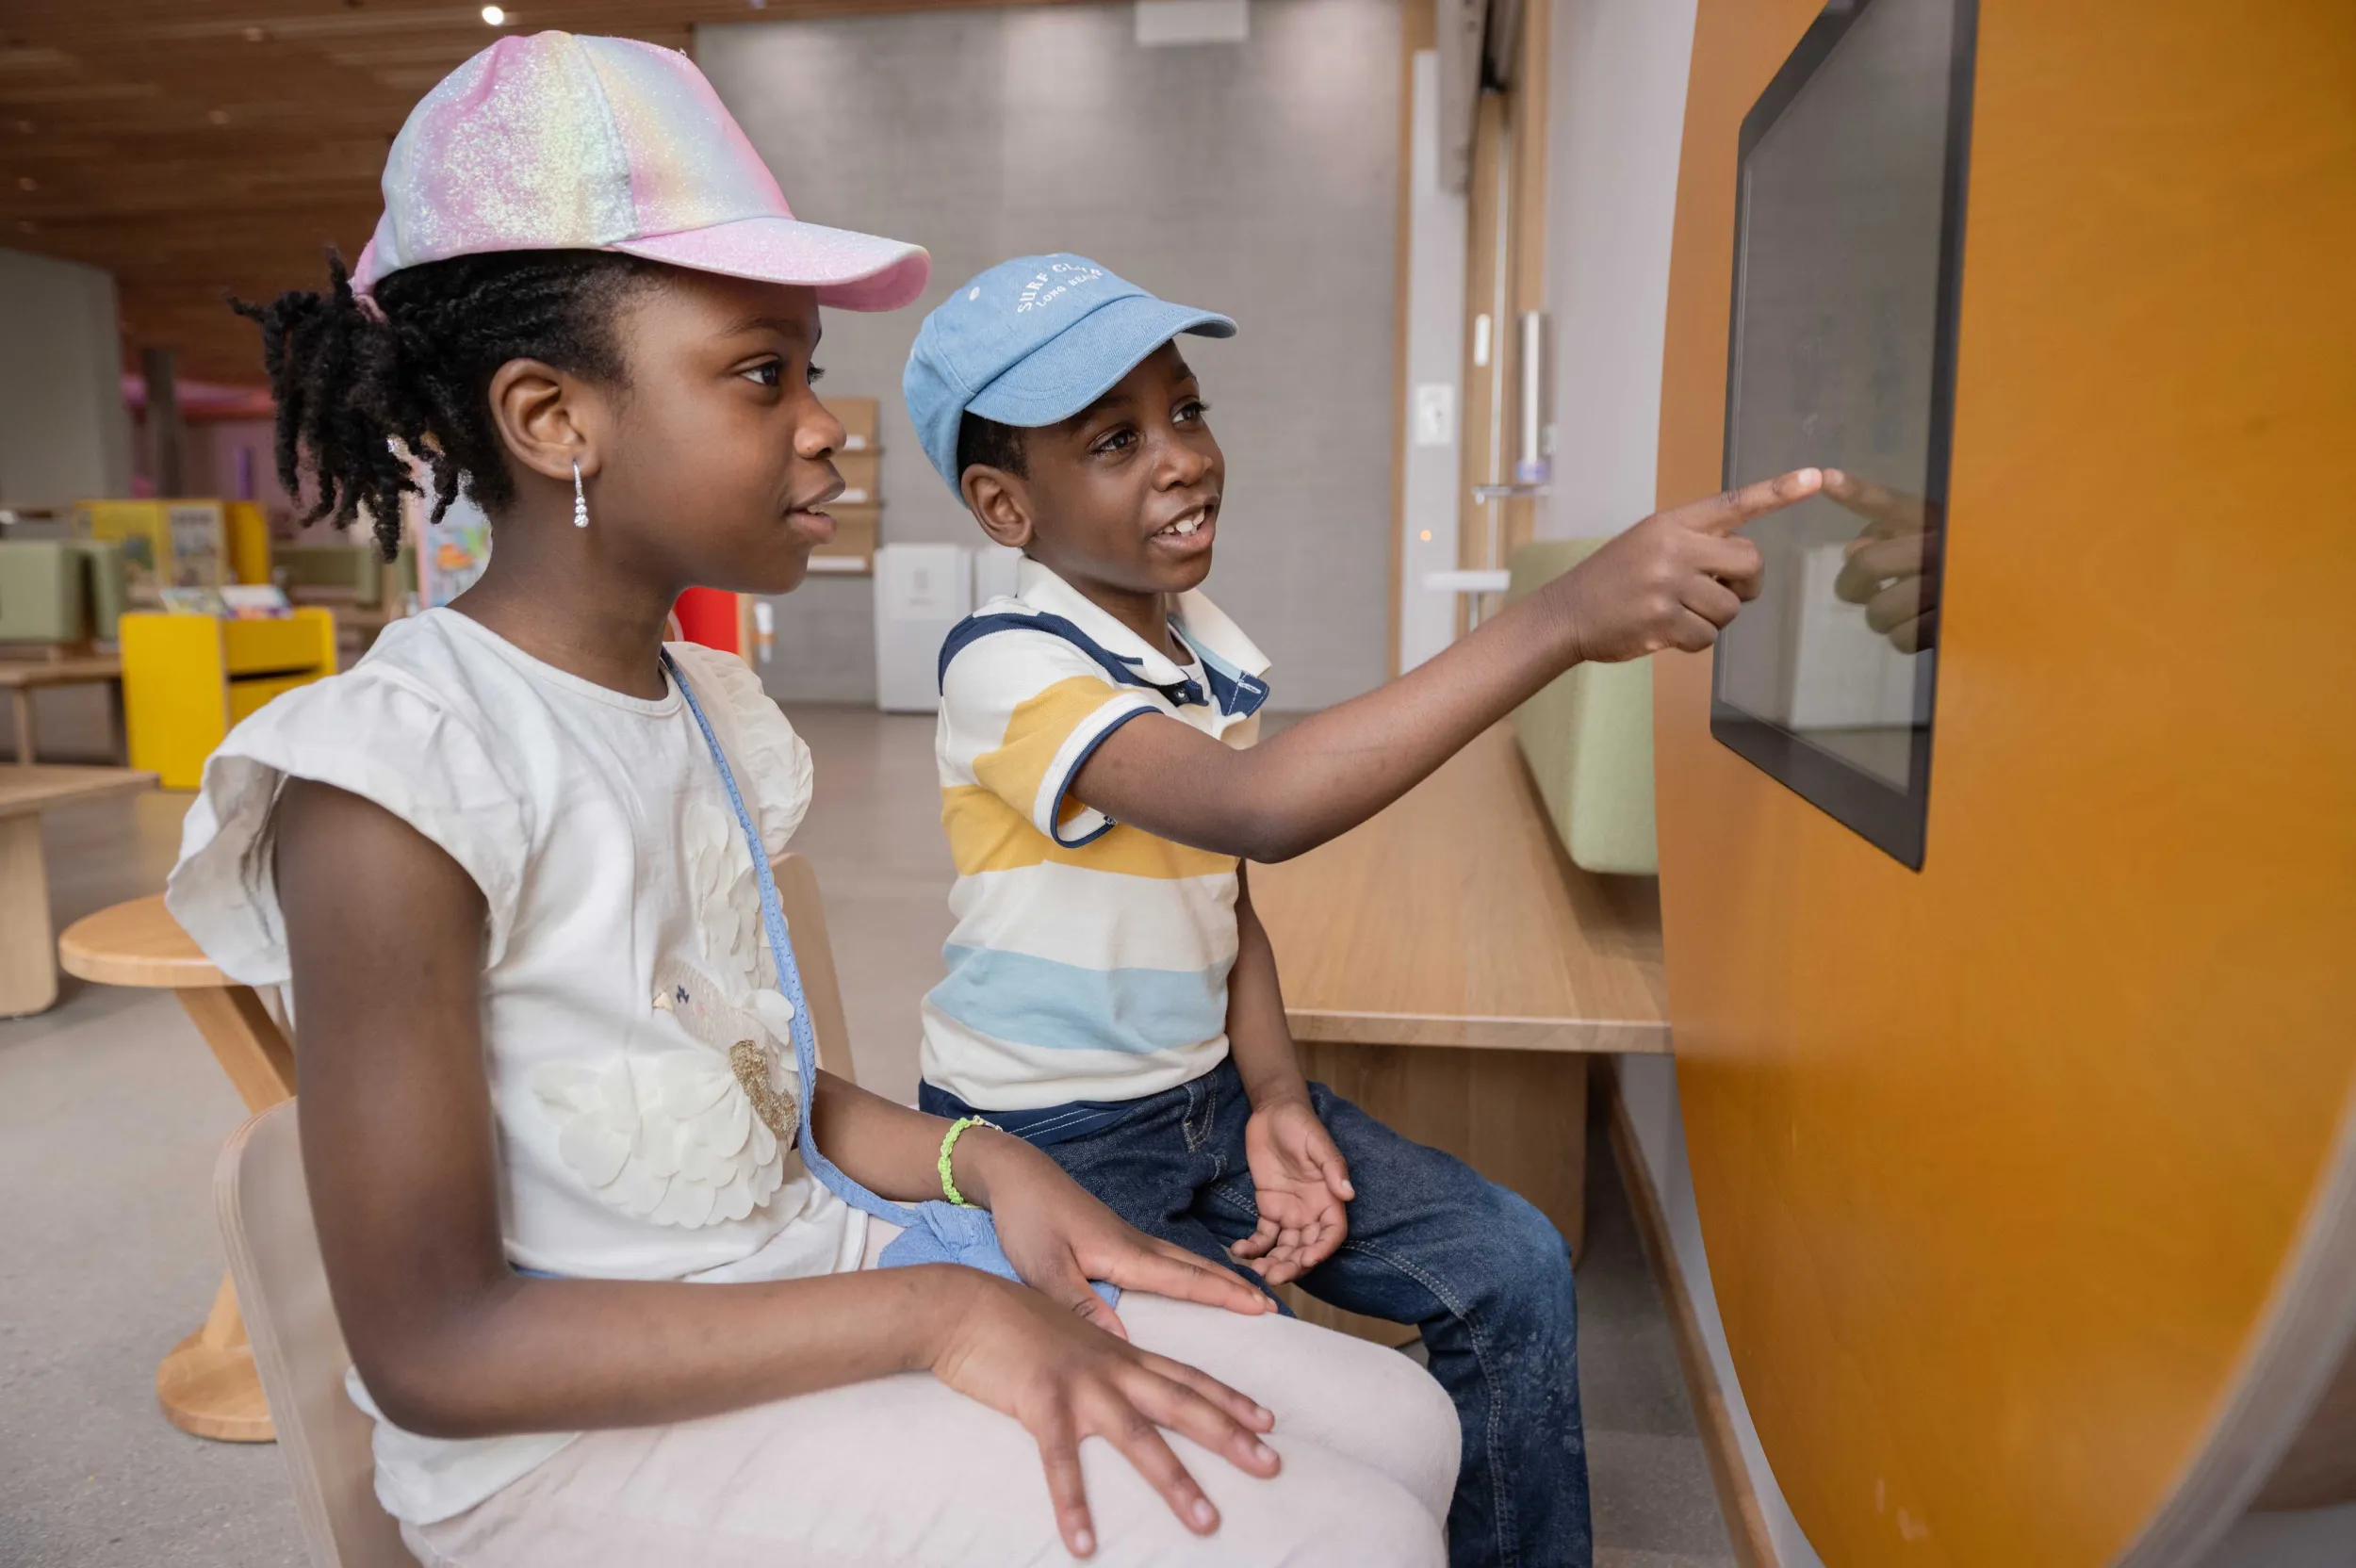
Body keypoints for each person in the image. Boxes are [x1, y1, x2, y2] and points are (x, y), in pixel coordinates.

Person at [165, 36, 1461, 1568]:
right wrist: (938, 1313)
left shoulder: (703, 706)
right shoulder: (393, 785)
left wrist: (996, 1167)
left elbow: (750, 1090)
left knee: (1408, 1427)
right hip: (575, 1441)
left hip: (809, 1275)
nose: (826, 421)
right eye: (760, 374)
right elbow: (437, 1353)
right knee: (1344, 1540)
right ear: (553, 418)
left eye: (809, 369)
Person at [903, 254, 1822, 1568]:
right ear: (1005, 505)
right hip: (1055, 1142)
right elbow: (1258, 810)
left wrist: (1276, 1096)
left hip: (1209, 1096)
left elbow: (1224, 902)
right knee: (1280, 1401)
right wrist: (1562, 618)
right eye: (1115, 441)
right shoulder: (1006, 665)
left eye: (1186, 409)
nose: (1181, 457)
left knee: (1512, 1261)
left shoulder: (1191, 641)